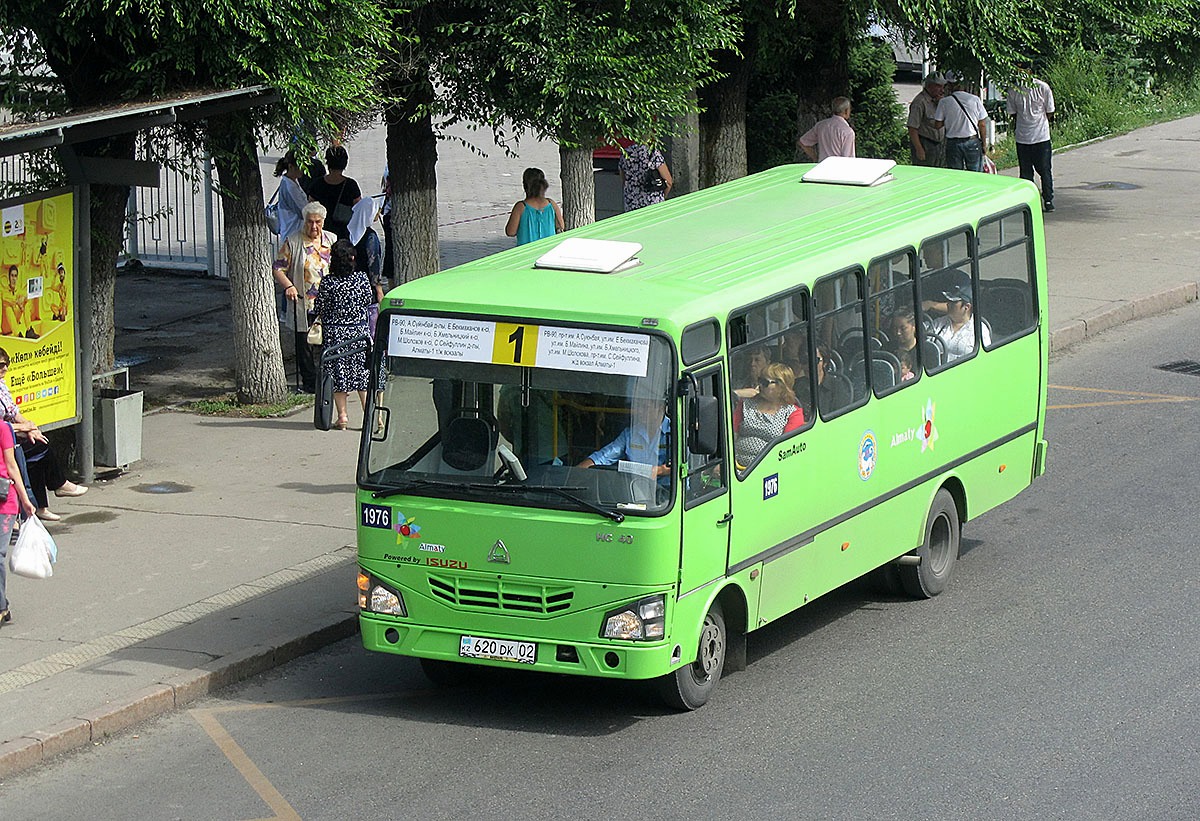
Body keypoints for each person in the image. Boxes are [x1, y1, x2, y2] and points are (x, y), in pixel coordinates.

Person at [0, 348, 87, 522]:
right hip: (4, 439)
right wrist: (23, 428)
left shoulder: (1, 385)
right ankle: (58, 485)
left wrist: (31, 428)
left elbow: (13, 412)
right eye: (2, 365)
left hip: (11, 434)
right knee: (39, 449)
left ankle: (41, 506)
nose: (6, 369)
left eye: (7, 363)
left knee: (38, 445)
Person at [273, 202, 335, 393]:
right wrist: (289, 286)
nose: (313, 227)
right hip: (303, 301)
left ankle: (328, 381)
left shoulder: (331, 240)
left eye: (317, 222)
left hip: (327, 303)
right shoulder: (293, 241)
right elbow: (278, 268)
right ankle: (310, 383)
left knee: (329, 341)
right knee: (304, 343)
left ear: (323, 222)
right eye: (309, 222)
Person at [314, 240, 372, 430]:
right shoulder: (362, 279)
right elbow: (368, 300)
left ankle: (343, 416)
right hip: (359, 333)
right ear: (353, 258)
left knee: (338, 374)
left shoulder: (328, 282)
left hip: (335, 334)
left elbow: (319, 307)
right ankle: (369, 416)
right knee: (362, 375)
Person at [0, 416, 37, 627]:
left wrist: (25, 500)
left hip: (4, 500)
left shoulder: (3, 428)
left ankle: (0, 607)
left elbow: (12, 466)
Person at [577, 397, 671, 479]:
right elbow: (605, 455)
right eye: (637, 406)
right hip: (636, 489)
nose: (640, 411)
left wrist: (659, 470)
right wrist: (577, 471)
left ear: (660, 407)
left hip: (667, 492)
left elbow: (682, 466)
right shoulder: (630, 434)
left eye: (645, 407)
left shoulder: (676, 432)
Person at [734, 363, 805, 468]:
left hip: (769, 470)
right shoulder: (745, 404)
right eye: (760, 380)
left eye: (765, 382)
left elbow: (786, 450)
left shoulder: (793, 413)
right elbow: (732, 434)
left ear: (781, 387)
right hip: (736, 468)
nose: (760, 385)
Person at [1007, 68, 1056, 212]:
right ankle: (1039, 201)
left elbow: (1013, 114)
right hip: (1031, 137)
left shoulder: (1041, 87)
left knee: (1037, 171)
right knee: (1035, 172)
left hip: (1032, 136)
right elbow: (1049, 111)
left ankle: (1043, 200)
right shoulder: (1016, 90)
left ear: (1029, 71)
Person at [933, 73, 989, 172]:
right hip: (972, 141)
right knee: (976, 173)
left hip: (953, 142)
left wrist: (950, 119)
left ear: (949, 85)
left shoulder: (944, 102)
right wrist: (984, 144)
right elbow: (982, 124)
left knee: (956, 174)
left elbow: (937, 125)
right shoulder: (974, 99)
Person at [347, 197, 385, 339]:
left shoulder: (350, 231)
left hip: (351, 284)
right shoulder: (370, 237)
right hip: (367, 287)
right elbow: (373, 263)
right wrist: (379, 290)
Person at [929, 274, 990, 361]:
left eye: (953, 302)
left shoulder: (980, 329)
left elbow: (985, 359)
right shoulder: (937, 324)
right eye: (948, 301)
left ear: (967, 307)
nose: (948, 304)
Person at [307, 145, 362, 240]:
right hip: (345, 233)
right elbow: (359, 208)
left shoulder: (317, 184)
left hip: (322, 233)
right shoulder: (351, 185)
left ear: (328, 163)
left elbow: (310, 207)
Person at [505, 167, 564, 245]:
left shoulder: (521, 207)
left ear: (525, 185)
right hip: (549, 251)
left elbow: (510, 232)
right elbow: (561, 226)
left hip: (527, 254)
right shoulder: (551, 204)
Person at [618, 143, 673, 212]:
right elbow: (668, 182)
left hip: (631, 204)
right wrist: (661, 198)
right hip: (652, 203)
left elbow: (624, 180)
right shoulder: (653, 153)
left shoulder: (625, 153)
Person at [798, 97, 856, 162]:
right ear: (846, 111)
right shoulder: (847, 132)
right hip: (839, 169)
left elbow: (803, 142)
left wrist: (815, 158)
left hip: (822, 167)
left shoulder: (821, 125)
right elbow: (848, 159)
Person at [907, 72, 947, 167]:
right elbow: (912, 128)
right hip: (925, 143)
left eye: (943, 87)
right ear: (930, 86)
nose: (942, 90)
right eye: (938, 87)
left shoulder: (940, 101)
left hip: (939, 144)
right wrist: (919, 149)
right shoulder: (920, 102)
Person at [271, 152, 311, 241]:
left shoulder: (293, 182)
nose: (302, 170)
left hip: (294, 232)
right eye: (299, 167)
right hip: (292, 234)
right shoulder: (290, 187)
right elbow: (302, 211)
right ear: (291, 167)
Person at [889, 308, 920, 380]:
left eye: (903, 328)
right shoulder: (887, 349)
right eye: (895, 328)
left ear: (914, 327)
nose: (898, 333)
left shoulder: (926, 350)